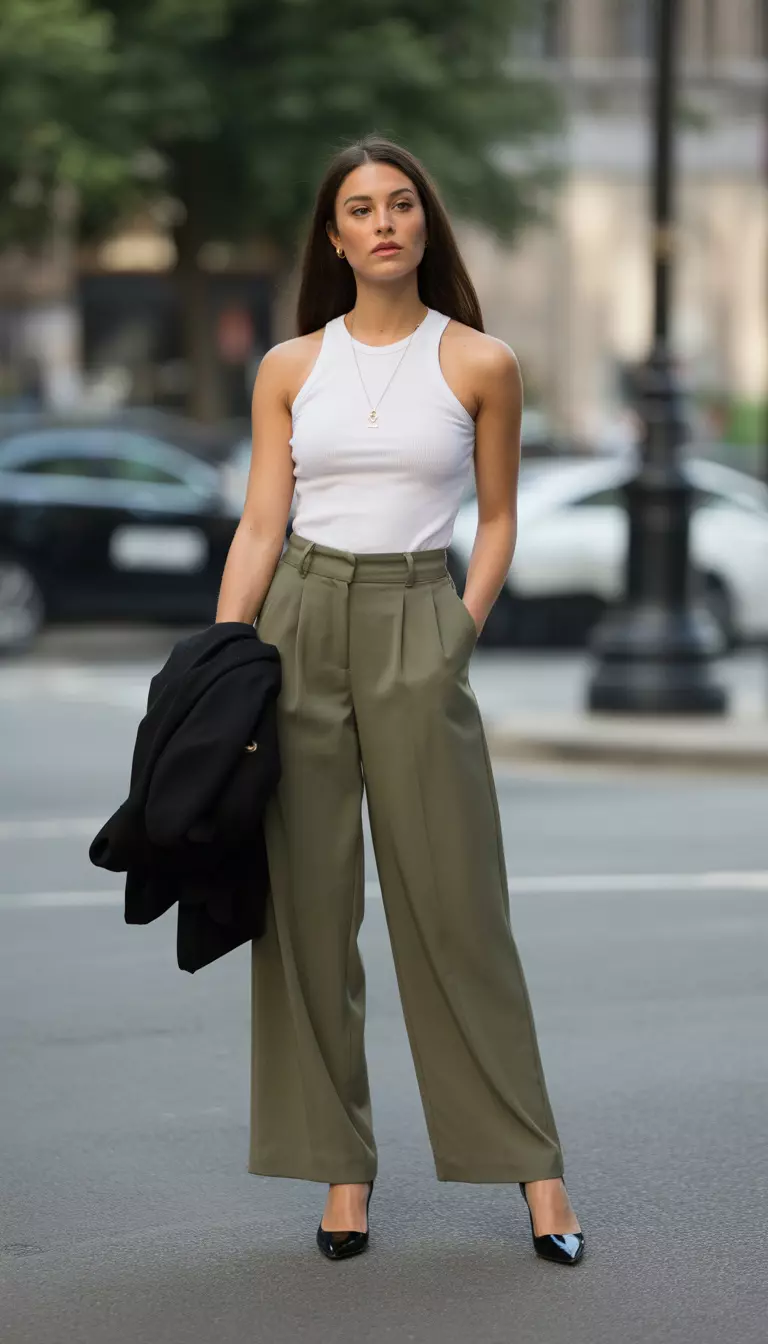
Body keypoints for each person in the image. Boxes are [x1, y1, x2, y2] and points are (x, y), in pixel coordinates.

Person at [215, 134, 584, 1266]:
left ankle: (539, 1174)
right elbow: (263, 525)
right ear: (334, 237)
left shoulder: (480, 362)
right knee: (310, 914)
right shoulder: (290, 365)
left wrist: (455, 637)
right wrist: (222, 663)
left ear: (425, 225)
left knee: (460, 908)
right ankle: (341, 1175)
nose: (383, 222)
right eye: (360, 209)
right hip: (299, 621)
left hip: (419, 619)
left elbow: (502, 519)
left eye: (402, 204)